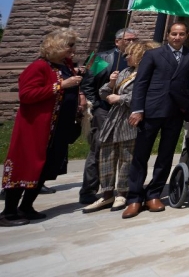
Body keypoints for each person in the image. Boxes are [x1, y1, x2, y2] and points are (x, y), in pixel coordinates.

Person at [123, 22, 189, 219]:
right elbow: (141, 83)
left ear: (186, 35)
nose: (177, 37)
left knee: (165, 155)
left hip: (176, 110)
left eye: (181, 34)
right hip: (152, 109)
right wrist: (137, 109)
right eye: (174, 34)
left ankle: (154, 194)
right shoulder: (153, 54)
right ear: (168, 35)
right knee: (141, 155)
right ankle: (134, 197)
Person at [2, 29, 85, 226]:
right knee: (26, 166)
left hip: (57, 128)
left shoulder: (65, 65)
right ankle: (9, 212)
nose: (73, 49)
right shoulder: (39, 66)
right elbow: (27, 95)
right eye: (69, 45)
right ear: (57, 46)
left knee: (45, 167)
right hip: (36, 128)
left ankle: (27, 207)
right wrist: (61, 85)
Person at [84, 39, 157, 214]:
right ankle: (107, 192)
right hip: (113, 119)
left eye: (129, 54)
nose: (126, 57)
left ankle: (122, 192)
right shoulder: (124, 72)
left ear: (139, 55)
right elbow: (103, 92)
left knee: (126, 157)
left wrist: (121, 98)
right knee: (107, 155)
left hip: (129, 119)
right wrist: (110, 84)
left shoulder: (147, 74)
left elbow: (145, 95)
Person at [79, 28, 136, 206]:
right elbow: (87, 84)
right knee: (99, 148)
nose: (132, 42)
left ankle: (122, 189)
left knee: (125, 151)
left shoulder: (137, 60)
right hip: (104, 110)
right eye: (128, 39)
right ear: (117, 41)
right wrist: (96, 107)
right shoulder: (101, 58)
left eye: (134, 39)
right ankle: (89, 190)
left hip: (125, 111)